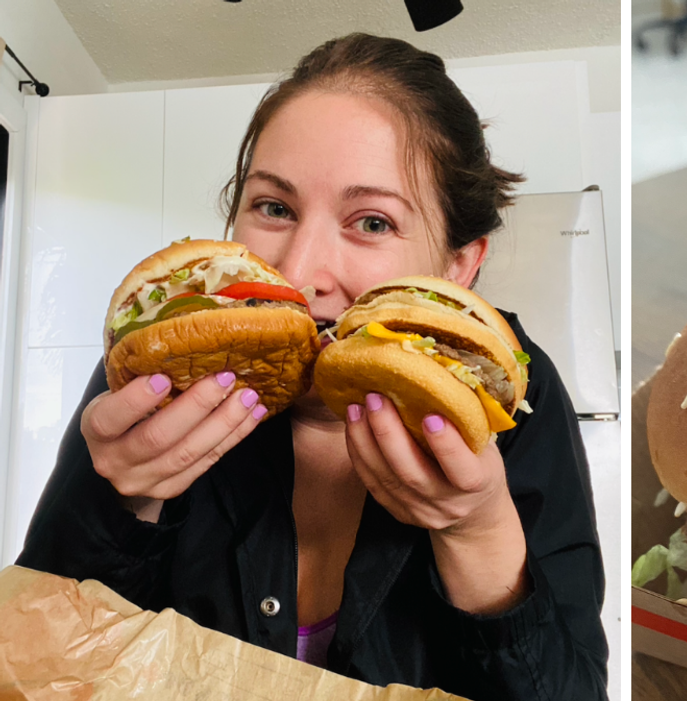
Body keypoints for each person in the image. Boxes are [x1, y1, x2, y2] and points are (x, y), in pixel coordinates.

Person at [17, 33, 607, 701]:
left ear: (457, 267)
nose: (297, 274)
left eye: (372, 222)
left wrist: (477, 531)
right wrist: (120, 503)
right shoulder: (162, 376)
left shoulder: (508, 404)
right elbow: (37, 659)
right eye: (273, 207)